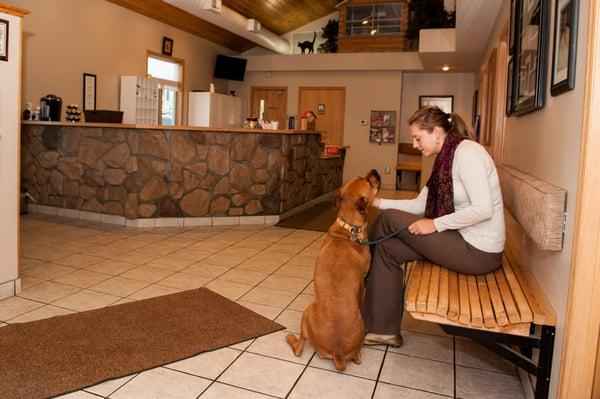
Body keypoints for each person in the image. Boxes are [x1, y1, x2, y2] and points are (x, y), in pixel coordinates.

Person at [362, 106, 505, 347]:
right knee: (387, 248)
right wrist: (377, 202)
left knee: (387, 222)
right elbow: (420, 205)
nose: (415, 145)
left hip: (479, 252)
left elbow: (483, 209)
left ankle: (360, 259)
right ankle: (382, 330)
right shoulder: (445, 158)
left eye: (418, 138)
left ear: (437, 132)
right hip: (460, 240)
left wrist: (436, 224)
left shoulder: (468, 154)